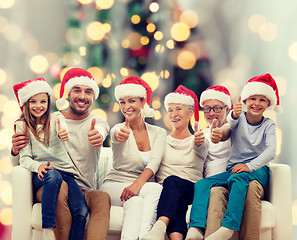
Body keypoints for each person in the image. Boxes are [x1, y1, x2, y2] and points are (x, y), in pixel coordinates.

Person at [11, 68, 111, 240]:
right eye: (77, 90)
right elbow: (23, 159)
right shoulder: (51, 120)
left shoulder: (98, 122)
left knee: (102, 197)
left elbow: (101, 130)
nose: (82, 96)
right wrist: (14, 149)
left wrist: (99, 136)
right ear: (68, 93)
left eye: (88, 92)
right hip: (50, 183)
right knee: (60, 186)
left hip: (81, 187)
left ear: (93, 96)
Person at [186, 73, 281, 240]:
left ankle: (228, 227)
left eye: (262, 100)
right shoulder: (237, 118)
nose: (256, 103)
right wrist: (217, 134)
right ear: (244, 101)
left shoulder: (268, 125)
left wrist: (249, 166)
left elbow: (271, 151)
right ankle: (196, 228)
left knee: (239, 177)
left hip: (258, 170)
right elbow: (226, 129)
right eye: (253, 99)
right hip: (235, 171)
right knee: (202, 184)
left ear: (268, 104)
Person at [100, 76, 167, 240]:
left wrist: (136, 186)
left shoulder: (159, 133)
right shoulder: (118, 129)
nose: (126, 107)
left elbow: (154, 163)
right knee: (156, 189)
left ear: (143, 102)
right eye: (122, 102)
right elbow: (115, 136)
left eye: (132, 101)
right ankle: (146, 236)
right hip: (114, 186)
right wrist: (118, 135)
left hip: (138, 190)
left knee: (136, 202)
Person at [141, 85, 209, 240]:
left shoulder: (198, 139)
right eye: (170, 110)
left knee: (172, 182)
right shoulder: (161, 139)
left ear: (190, 112)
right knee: (175, 197)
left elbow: (201, 147)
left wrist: (198, 141)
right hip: (167, 193)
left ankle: (160, 226)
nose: (173, 114)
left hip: (191, 189)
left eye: (178, 109)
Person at [200, 86, 266, 240]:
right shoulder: (201, 135)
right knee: (215, 192)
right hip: (220, 183)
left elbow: (227, 132)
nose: (211, 113)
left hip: (245, 180)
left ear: (227, 109)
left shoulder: (240, 127)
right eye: (207, 109)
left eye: (216, 108)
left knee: (248, 186)